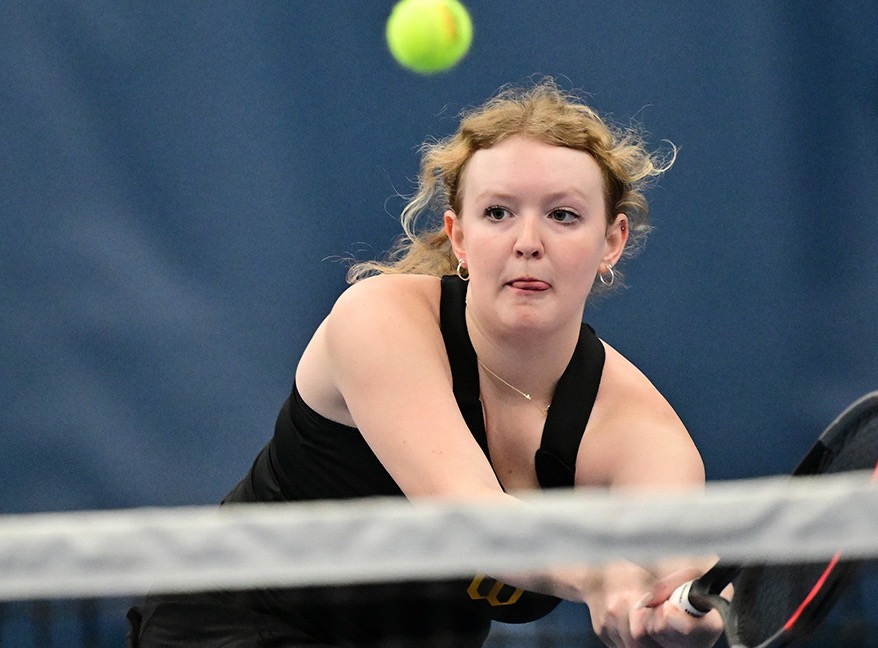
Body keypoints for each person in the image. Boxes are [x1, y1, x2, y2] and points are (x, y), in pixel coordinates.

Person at [128, 78, 724, 648]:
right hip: (226, 624)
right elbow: (471, 517)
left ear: (611, 242)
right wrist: (601, 576)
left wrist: (683, 612)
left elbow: (683, 576)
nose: (528, 241)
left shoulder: (642, 436)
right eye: (497, 213)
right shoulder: (377, 321)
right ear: (458, 237)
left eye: (563, 215)